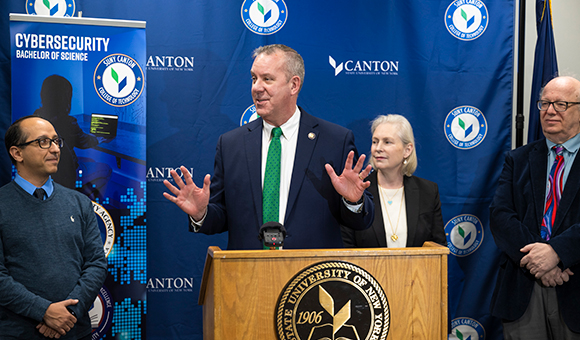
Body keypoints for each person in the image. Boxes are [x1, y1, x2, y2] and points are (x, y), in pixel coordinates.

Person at [163, 44, 374, 250]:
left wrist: (353, 201)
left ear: (294, 85)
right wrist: (201, 214)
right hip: (249, 276)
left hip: (310, 277)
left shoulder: (335, 140)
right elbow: (222, 218)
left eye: (267, 79)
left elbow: (361, 223)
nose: (256, 87)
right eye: (254, 78)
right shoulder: (231, 145)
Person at [0, 116, 107, 339]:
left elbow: (96, 263)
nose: (56, 149)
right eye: (43, 142)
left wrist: (67, 314)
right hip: (19, 333)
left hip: (75, 331)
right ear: (17, 153)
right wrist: (44, 312)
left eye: (56, 141)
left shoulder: (80, 203)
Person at [489, 76, 580, 339]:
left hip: (574, 283)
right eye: (544, 103)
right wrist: (539, 261)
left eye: (561, 104)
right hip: (523, 289)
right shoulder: (518, 159)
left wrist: (557, 253)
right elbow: (500, 216)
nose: (550, 111)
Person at [341, 114, 446, 248]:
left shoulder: (428, 191)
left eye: (387, 142)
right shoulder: (358, 189)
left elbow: (438, 248)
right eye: (375, 141)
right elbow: (345, 246)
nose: (378, 148)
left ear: (407, 150)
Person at [34, 74, 111, 198]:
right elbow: (84, 142)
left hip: (46, 172)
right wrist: (98, 139)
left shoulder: (35, 118)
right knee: (107, 169)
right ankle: (78, 201)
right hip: (66, 172)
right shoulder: (68, 122)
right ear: (66, 98)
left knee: (90, 161)